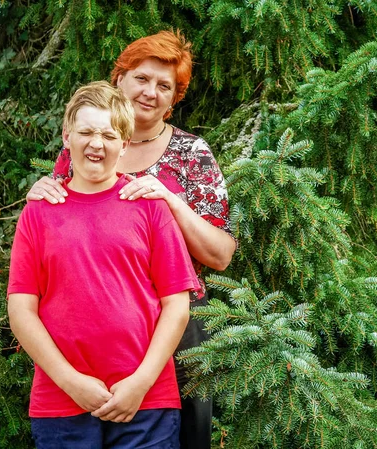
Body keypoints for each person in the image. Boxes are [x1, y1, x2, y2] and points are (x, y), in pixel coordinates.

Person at [26, 31, 237, 449]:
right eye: (142, 78)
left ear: (174, 98)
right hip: (94, 325)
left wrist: (170, 201)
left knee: (185, 432)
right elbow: (67, 216)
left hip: (178, 317)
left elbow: (221, 254)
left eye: (165, 87)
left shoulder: (191, 153)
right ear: (119, 79)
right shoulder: (87, 140)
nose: (150, 93)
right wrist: (41, 190)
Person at [9, 80, 200, 448]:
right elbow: (21, 311)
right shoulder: (39, 213)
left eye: (109, 135)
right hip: (61, 403)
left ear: (124, 144)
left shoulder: (148, 207)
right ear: (67, 137)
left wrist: (140, 383)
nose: (97, 143)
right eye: (86, 132)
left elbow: (176, 305)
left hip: (146, 402)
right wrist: (71, 382)